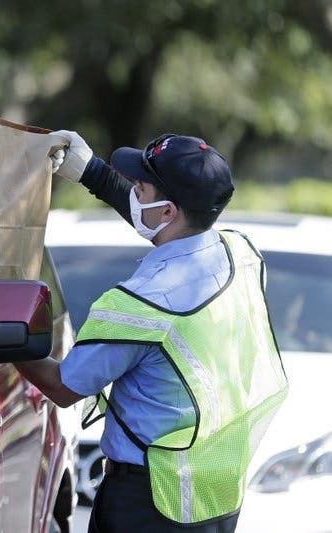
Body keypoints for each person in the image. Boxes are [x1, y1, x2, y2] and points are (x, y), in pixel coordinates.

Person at [18, 131, 288, 532]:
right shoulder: (240, 253)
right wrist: (91, 172)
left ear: (167, 211)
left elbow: (63, 386)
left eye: (139, 188)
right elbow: (173, 234)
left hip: (148, 507)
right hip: (216, 497)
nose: (133, 194)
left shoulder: (140, 304)